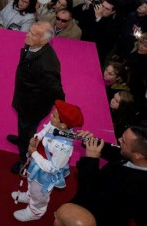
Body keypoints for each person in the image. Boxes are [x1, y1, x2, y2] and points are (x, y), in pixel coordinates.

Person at [11, 100, 84, 222]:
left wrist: (33, 153)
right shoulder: (54, 125)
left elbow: (52, 168)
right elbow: (44, 131)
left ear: (64, 125)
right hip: (37, 162)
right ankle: (30, 196)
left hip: (45, 173)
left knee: (40, 194)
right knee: (32, 183)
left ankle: (35, 211)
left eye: (54, 116)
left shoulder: (64, 146)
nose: (51, 116)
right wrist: (37, 138)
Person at [8, 21, 65, 174]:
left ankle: (24, 160)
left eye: (32, 34)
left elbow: (55, 89)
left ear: (43, 40)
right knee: (23, 127)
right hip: (25, 98)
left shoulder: (47, 64)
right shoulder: (33, 45)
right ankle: (22, 139)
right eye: (30, 31)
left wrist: (62, 110)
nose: (27, 34)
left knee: (28, 131)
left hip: (33, 106)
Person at [63, 126, 147, 225]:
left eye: (123, 141)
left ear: (138, 155)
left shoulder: (137, 188)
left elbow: (88, 194)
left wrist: (91, 160)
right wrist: (90, 141)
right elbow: (114, 152)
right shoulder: (134, 157)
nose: (119, 140)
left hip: (88, 217)